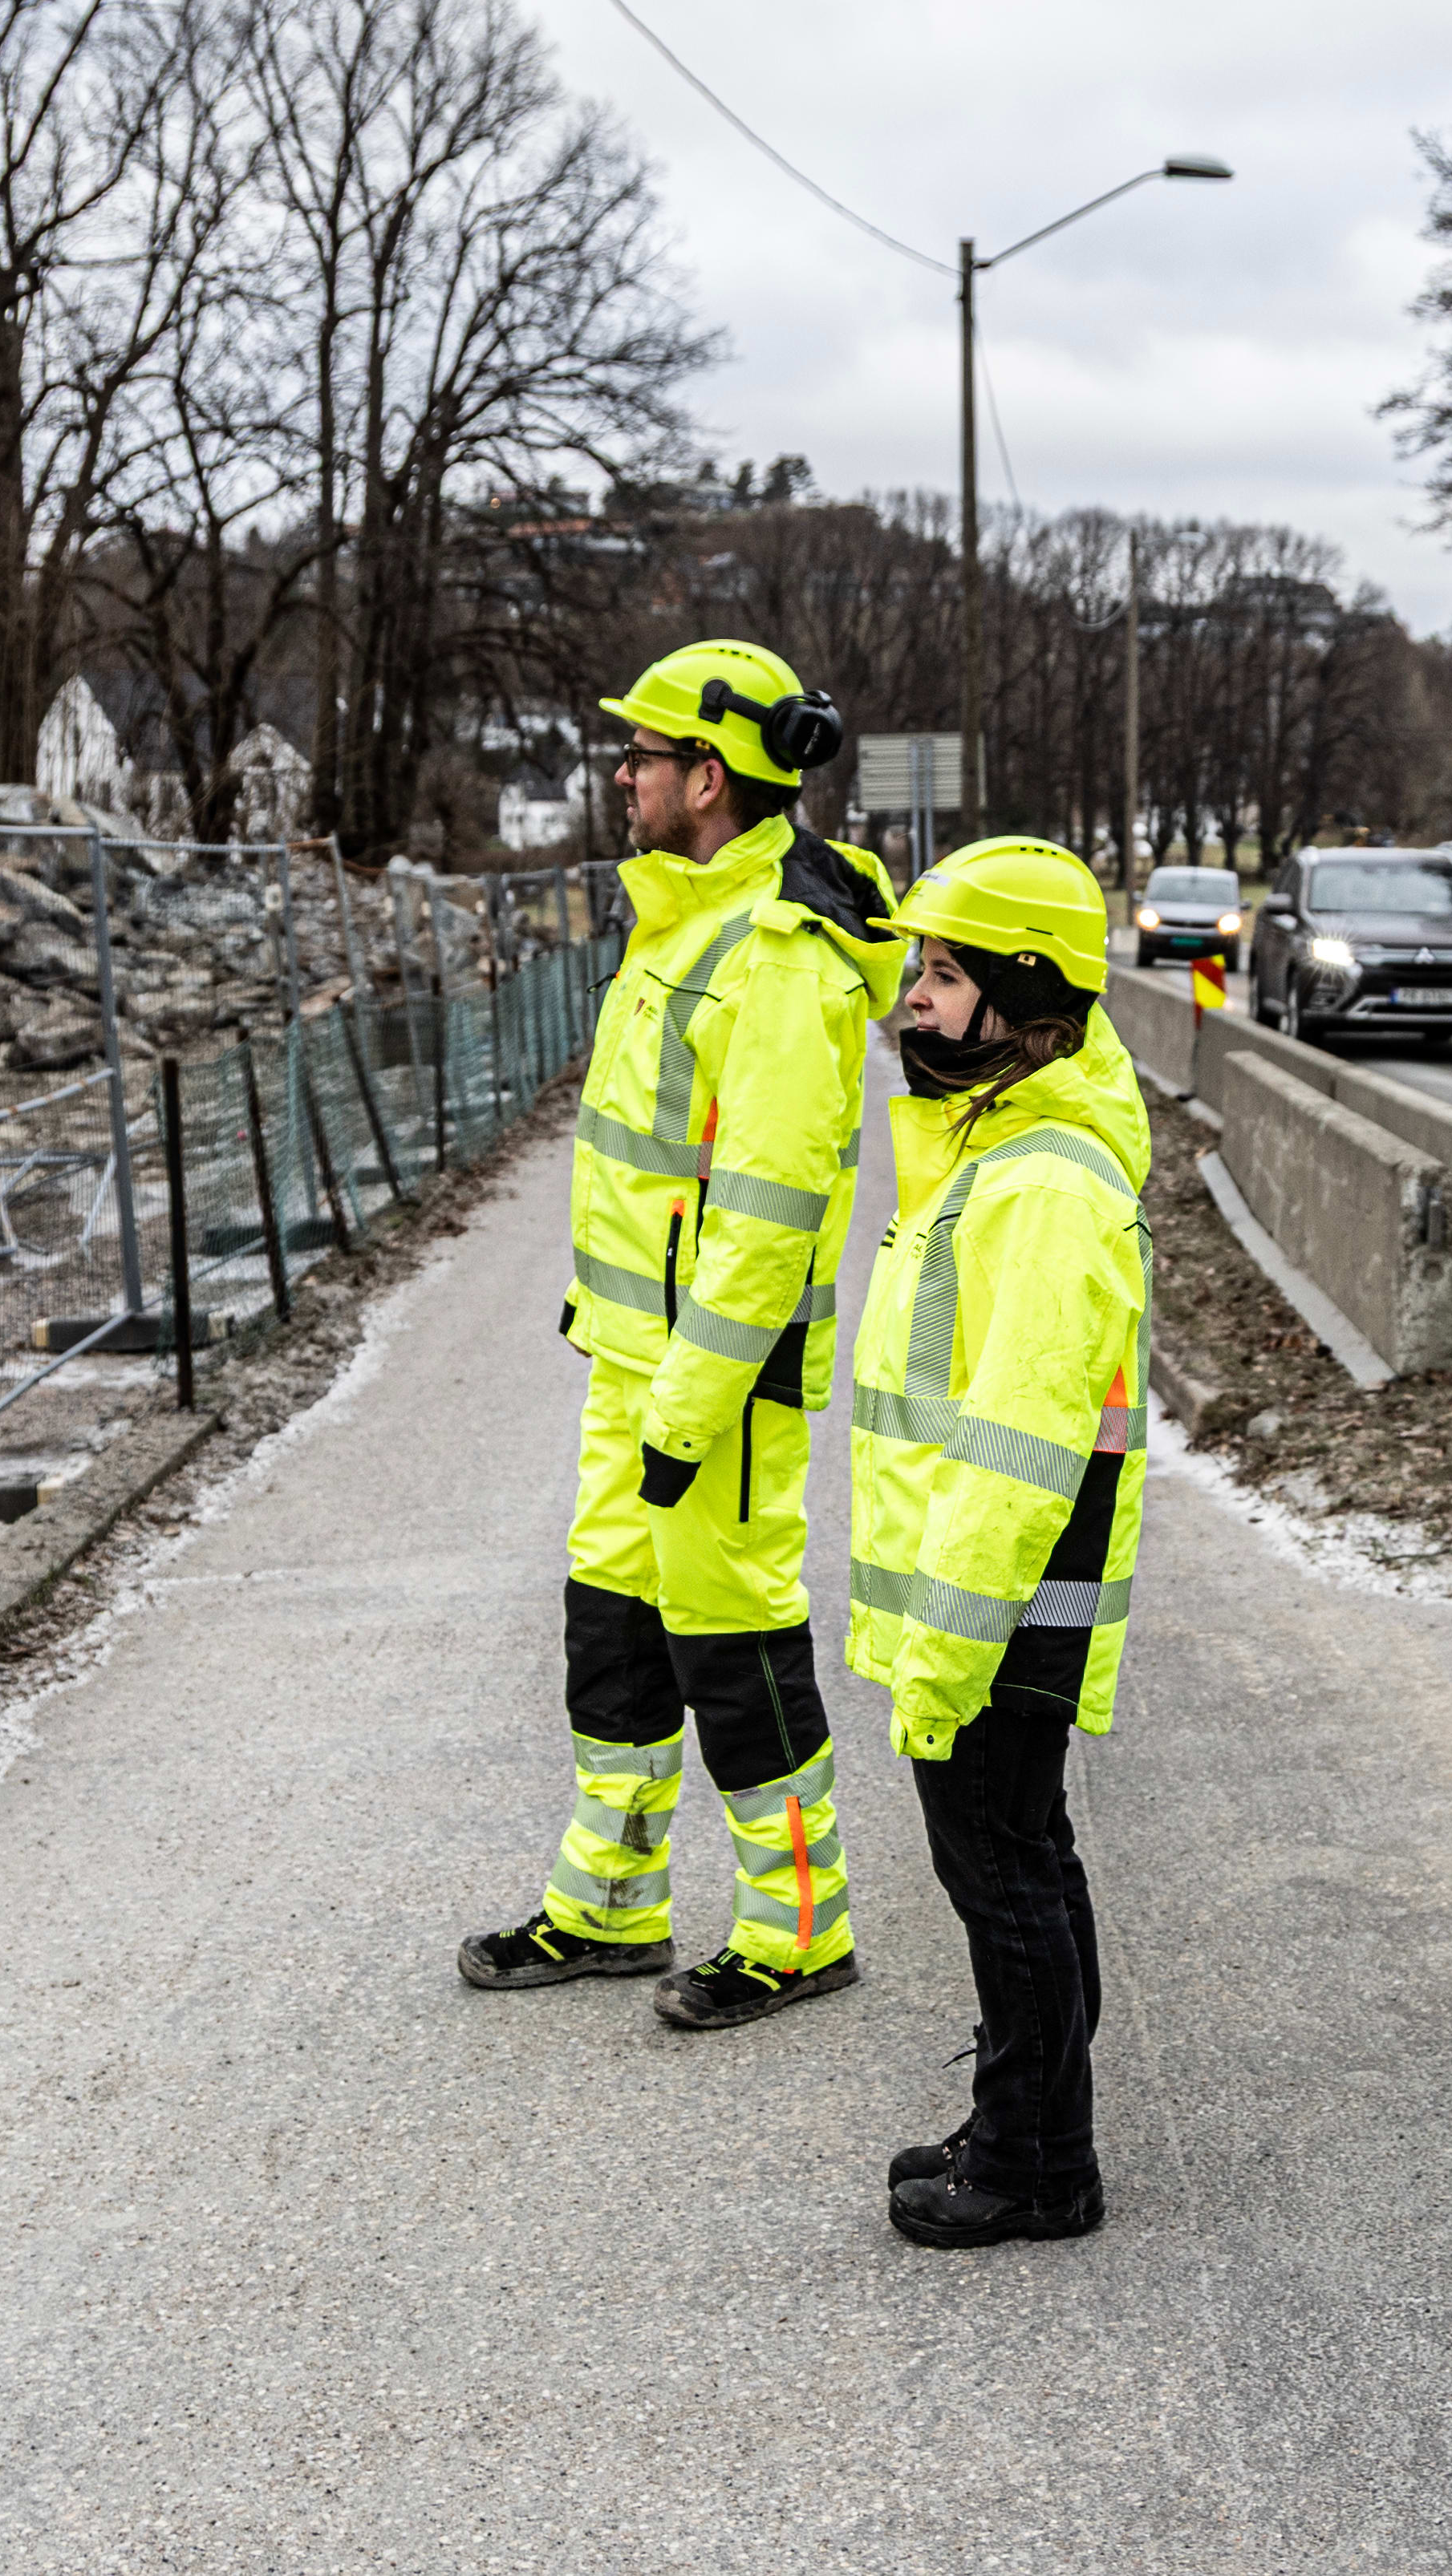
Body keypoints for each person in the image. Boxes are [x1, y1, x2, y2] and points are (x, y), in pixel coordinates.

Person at [457, 641, 901, 2030]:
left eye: (642, 756)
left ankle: (800, 1926)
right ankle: (610, 1903)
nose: (622, 776)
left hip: (719, 1378)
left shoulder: (780, 951)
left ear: (708, 778)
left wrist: (694, 1405)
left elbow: (766, 1217)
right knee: (616, 1627)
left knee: (735, 1641)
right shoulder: (685, 915)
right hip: (637, 1359)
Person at [847, 836, 1152, 2247]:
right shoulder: (999, 1149)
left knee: (1003, 1872)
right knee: (1026, 1856)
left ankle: (1039, 2164)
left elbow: (1016, 1455)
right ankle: (1028, 2119)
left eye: (946, 972)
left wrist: (945, 1651)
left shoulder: (1037, 1185)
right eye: (918, 966)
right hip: (1004, 1595)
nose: (913, 996)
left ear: (1024, 999)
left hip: (1001, 1602)